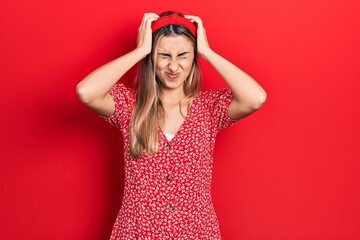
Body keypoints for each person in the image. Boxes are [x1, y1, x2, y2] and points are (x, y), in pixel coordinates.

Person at [76, 11, 266, 240]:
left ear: (193, 57)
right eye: (164, 55)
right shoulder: (130, 106)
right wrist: (140, 51)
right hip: (139, 232)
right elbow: (86, 92)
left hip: (196, 233)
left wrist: (207, 52)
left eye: (183, 55)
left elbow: (255, 98)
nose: (173, 66)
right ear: (152, 58)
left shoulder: (209, 108)